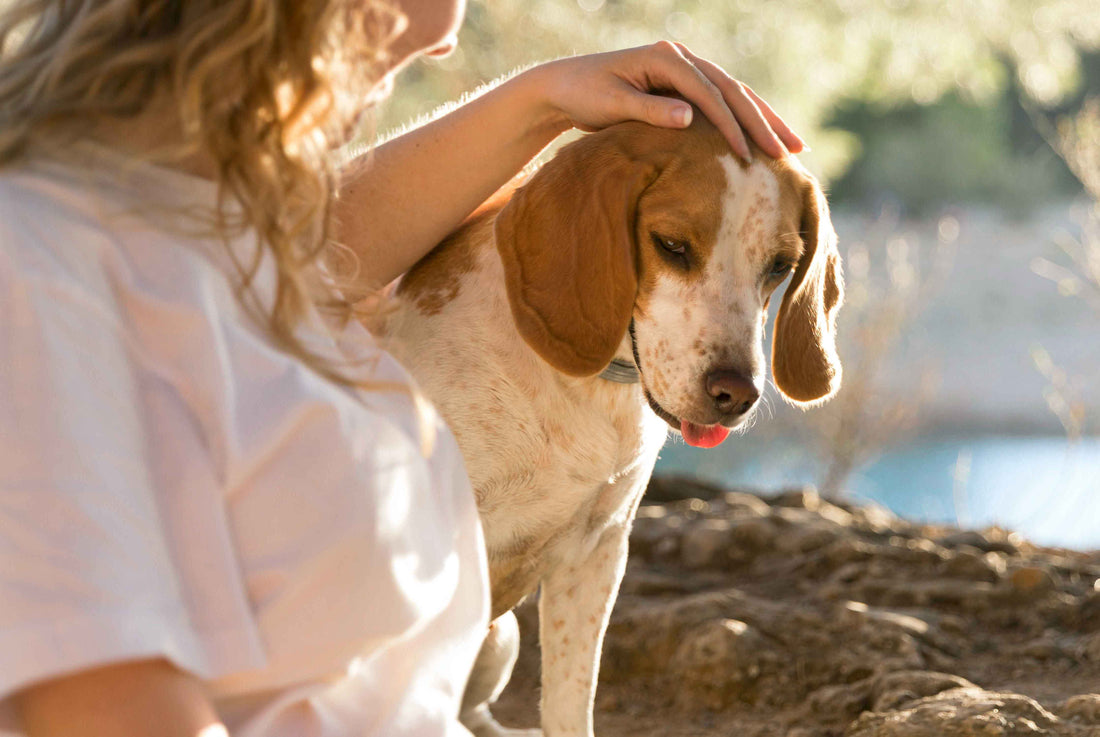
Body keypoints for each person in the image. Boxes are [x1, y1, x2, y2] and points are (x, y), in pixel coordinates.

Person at [0, 1, 805, 736]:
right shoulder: (39, 268)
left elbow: (312, 248)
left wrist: (546, 100)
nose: (447, 33)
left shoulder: (174, 229)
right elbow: (103, 708)